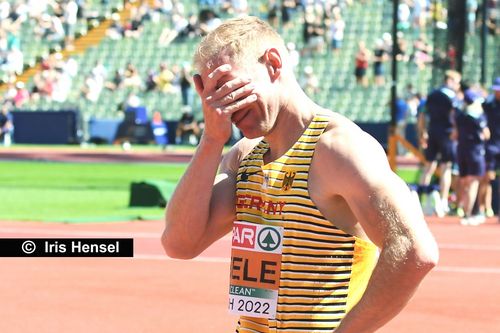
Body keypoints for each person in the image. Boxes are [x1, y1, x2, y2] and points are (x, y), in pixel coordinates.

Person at [161, 16, 438, 332]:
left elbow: (415, 250)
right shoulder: (245, 156)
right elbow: (180, 244)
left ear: (273, 65)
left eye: (226, 88)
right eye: (209, 96)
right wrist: (211, 139)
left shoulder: (338, 148)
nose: (219, 106)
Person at [418, 70, 462, 217]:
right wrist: (456, 130)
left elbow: (422, 114)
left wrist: (423, 132)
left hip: (432, 132)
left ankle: (421, 199)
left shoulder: (432, 94)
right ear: (449, 80)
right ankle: (443, 201)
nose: (458, 85)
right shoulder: (451, 96)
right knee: (446, 167)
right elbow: (455, 115)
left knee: (429, 166)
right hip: (446, 134)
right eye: (456, 82)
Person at [455, 89, 490, 225]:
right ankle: (469, 214)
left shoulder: (459, 116)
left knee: (464, 182)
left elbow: (455, 134)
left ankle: (464, 211)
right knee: (473, 182)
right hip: (475, 151)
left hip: (461, 150)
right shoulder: (478, 117)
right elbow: (487, 134)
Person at [479, 77, 500, 222]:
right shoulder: (487, 104)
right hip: (491, 146)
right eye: (496, 89)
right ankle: (482, 208)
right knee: (487, 178)